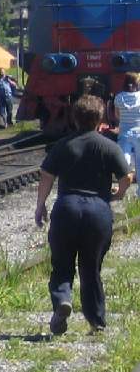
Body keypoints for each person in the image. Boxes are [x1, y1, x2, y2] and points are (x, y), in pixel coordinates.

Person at [35, 95, 133, 334]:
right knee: (91, 268)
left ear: (74, 118)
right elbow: (126, 177)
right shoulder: (109, 146)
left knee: (62, 264)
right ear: (100, 119)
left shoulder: (63, 145)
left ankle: (62, 299)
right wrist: (119, 194)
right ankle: (96, 321)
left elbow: (46, 176)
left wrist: (40, 205)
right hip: (97, 211)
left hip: (66, 208)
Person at [111, 72, 140, 194]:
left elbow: (117, 115)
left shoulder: (119, 97)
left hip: (124, 133)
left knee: (124, 161)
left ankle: (121, 189)